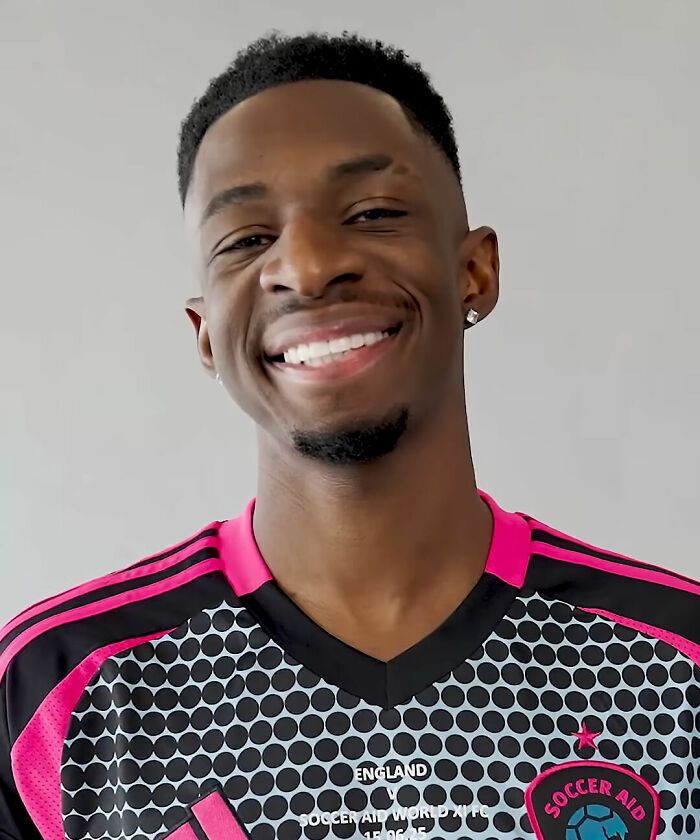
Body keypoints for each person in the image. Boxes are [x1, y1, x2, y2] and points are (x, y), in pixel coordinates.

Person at [1, 29, 697, 840]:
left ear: (475, 271)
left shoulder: (674, 671)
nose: (308, 264)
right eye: (246, 240)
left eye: (371, 213)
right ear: (202, 333)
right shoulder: (55, 694)